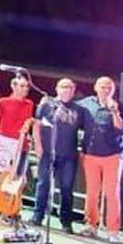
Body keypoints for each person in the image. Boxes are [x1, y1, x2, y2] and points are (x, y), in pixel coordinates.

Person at [78, 76, 123, 242]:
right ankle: (91, 225)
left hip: (113, 155)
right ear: (95, 87)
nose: (106, 90)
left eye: (109, 87)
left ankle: (112, 230)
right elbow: (72, 115)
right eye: (103, 87)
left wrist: (114, 112)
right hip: (91, 154)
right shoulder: (86, 104)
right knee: (92, 192)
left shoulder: (122, 107)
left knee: (112, 193)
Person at [28, 77, 83, 233]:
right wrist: (37, 145)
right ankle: (37, 216)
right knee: (43, 184)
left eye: (70, 88)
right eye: (64, 87)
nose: (67, 90)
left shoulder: (78, 109)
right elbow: (37, 125)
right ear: (57, 89)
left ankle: (66, 221)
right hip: (47, 152)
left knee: (66, 188)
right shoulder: (47, 105)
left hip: (69, 155)